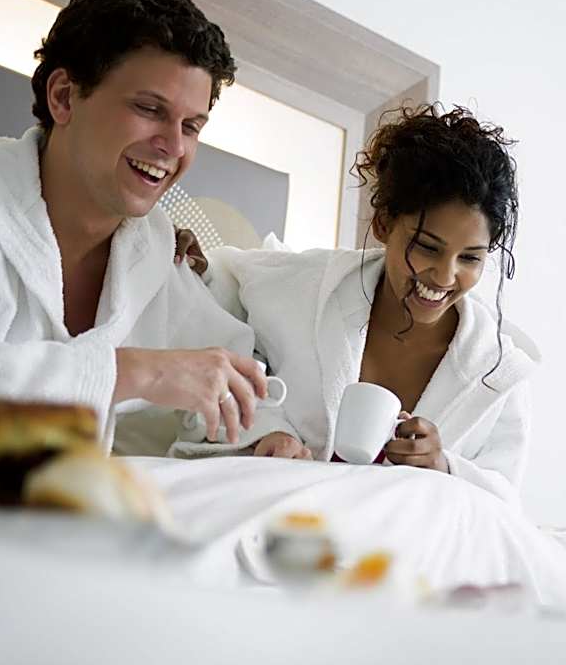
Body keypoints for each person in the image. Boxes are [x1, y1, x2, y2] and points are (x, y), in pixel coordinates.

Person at [0, 0, 296, 453]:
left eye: (191, 126)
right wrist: (132, 372)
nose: (173, 146)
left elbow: (229, 373)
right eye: (150, 109)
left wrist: (268, 436)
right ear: (64, 97)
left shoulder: (151, 248)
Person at [172, 104, 536, 504]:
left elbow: (504, 503)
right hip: (285, 518)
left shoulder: (497, 373)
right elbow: (222, 303)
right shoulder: (305, 286)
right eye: (427, 247)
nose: (446, 277)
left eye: (470, 258)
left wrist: (443, 467)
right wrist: (268, 434)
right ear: (383, 224)